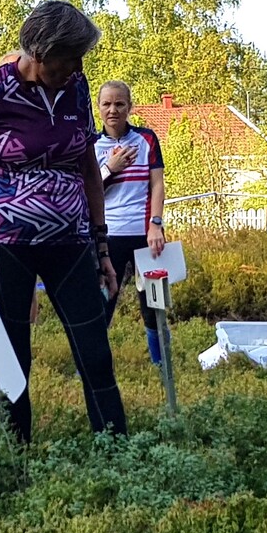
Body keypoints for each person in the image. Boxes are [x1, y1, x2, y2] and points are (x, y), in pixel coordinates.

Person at [0, 0, 126, 444]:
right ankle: (15, 454)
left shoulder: (76, 87)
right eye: (71, 58)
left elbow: (89, 168)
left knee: (94, 349)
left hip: (71, 241)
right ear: (42, 53)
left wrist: (101, 246)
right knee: (13, 356)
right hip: (5, 241)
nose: (77, 67)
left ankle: (117, 450)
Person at [93, 81, 168, 363]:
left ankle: (162, 365)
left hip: (145, 235)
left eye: (119, 104)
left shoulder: (146, 139)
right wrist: (110, 169)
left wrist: (156, 224)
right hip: (107, 237)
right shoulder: (91, 143)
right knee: (102, 303)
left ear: (129, 107)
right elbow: (87, 189)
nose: (113, 110)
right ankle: (92, 365)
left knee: (153, 304)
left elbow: (157, 185)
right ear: (98, 108)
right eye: (107, 104)